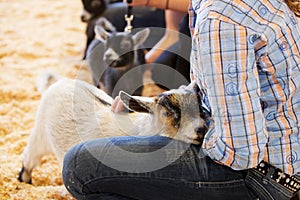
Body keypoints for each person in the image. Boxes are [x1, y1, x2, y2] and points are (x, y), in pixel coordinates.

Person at [63, 0, 300, 199]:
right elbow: (212, 86)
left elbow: (242, 152)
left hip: (265, 180)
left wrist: (191, 133)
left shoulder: (220, 22)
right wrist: (161, 102)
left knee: (81, 166)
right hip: (284, 165)